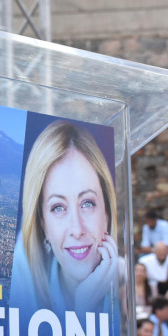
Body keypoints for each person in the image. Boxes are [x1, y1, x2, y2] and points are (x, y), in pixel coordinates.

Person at [13, 120, 117, 315]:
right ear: (42, 223)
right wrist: (84, 311)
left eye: (87, 203)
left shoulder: (127, 282)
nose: (77, 230)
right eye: (58, 207)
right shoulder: (23, 264)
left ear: (107, 212)